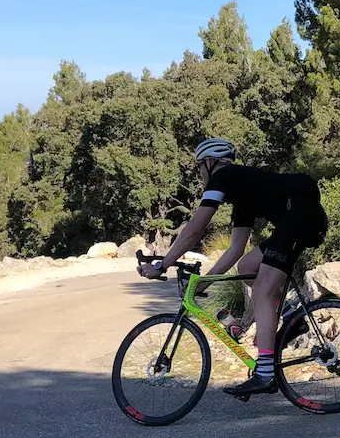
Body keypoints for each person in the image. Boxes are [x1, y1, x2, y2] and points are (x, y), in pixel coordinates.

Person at [137, 138, 328, 397]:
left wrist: (163, 264)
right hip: (298, 218)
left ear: (209, 162)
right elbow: (235, 250)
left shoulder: (223, 176)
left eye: (199, 168)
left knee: (262, 291)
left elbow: (195, 229)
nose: (199, 174)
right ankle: (290, 313)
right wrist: (201, 284)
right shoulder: (242, 193)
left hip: (301, 215)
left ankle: (264, 374)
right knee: (246, 264)